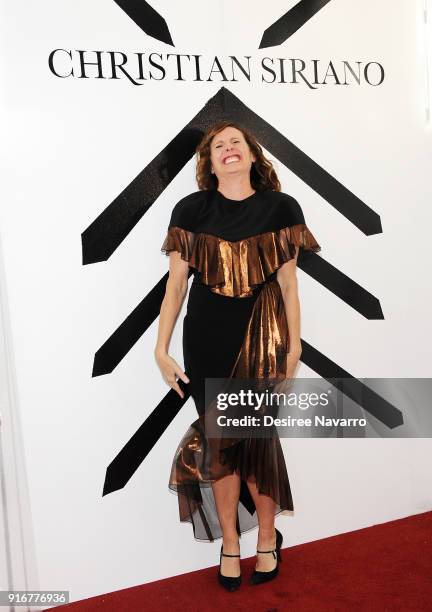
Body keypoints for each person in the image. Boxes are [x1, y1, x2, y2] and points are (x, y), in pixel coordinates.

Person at [155, 120, 321, 591]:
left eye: (237, 143)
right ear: (208, 162)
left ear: (252, 155)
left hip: (263, 335)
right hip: (205, 337)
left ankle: (266, 537)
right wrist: (161, 348)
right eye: (218, 146)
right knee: (219, 445)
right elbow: (175, 286)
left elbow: (289, 285)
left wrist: (295, 345)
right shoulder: (190, 208)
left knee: (256, 443)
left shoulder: (281, 206)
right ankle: (231, 542)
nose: (228, 149)